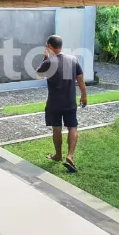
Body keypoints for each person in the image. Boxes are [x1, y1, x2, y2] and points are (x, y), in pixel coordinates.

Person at [36, 35, 86, 173]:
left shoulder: (48, 62)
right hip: (70, 102)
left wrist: (45, 58)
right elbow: (80, 80)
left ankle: (58, 155)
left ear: (49, 46)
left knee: (56, 128)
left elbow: (38, 75)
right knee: (72, 127)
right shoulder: (73, 60)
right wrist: (84, 96)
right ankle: (70, 156)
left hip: (54, 103)